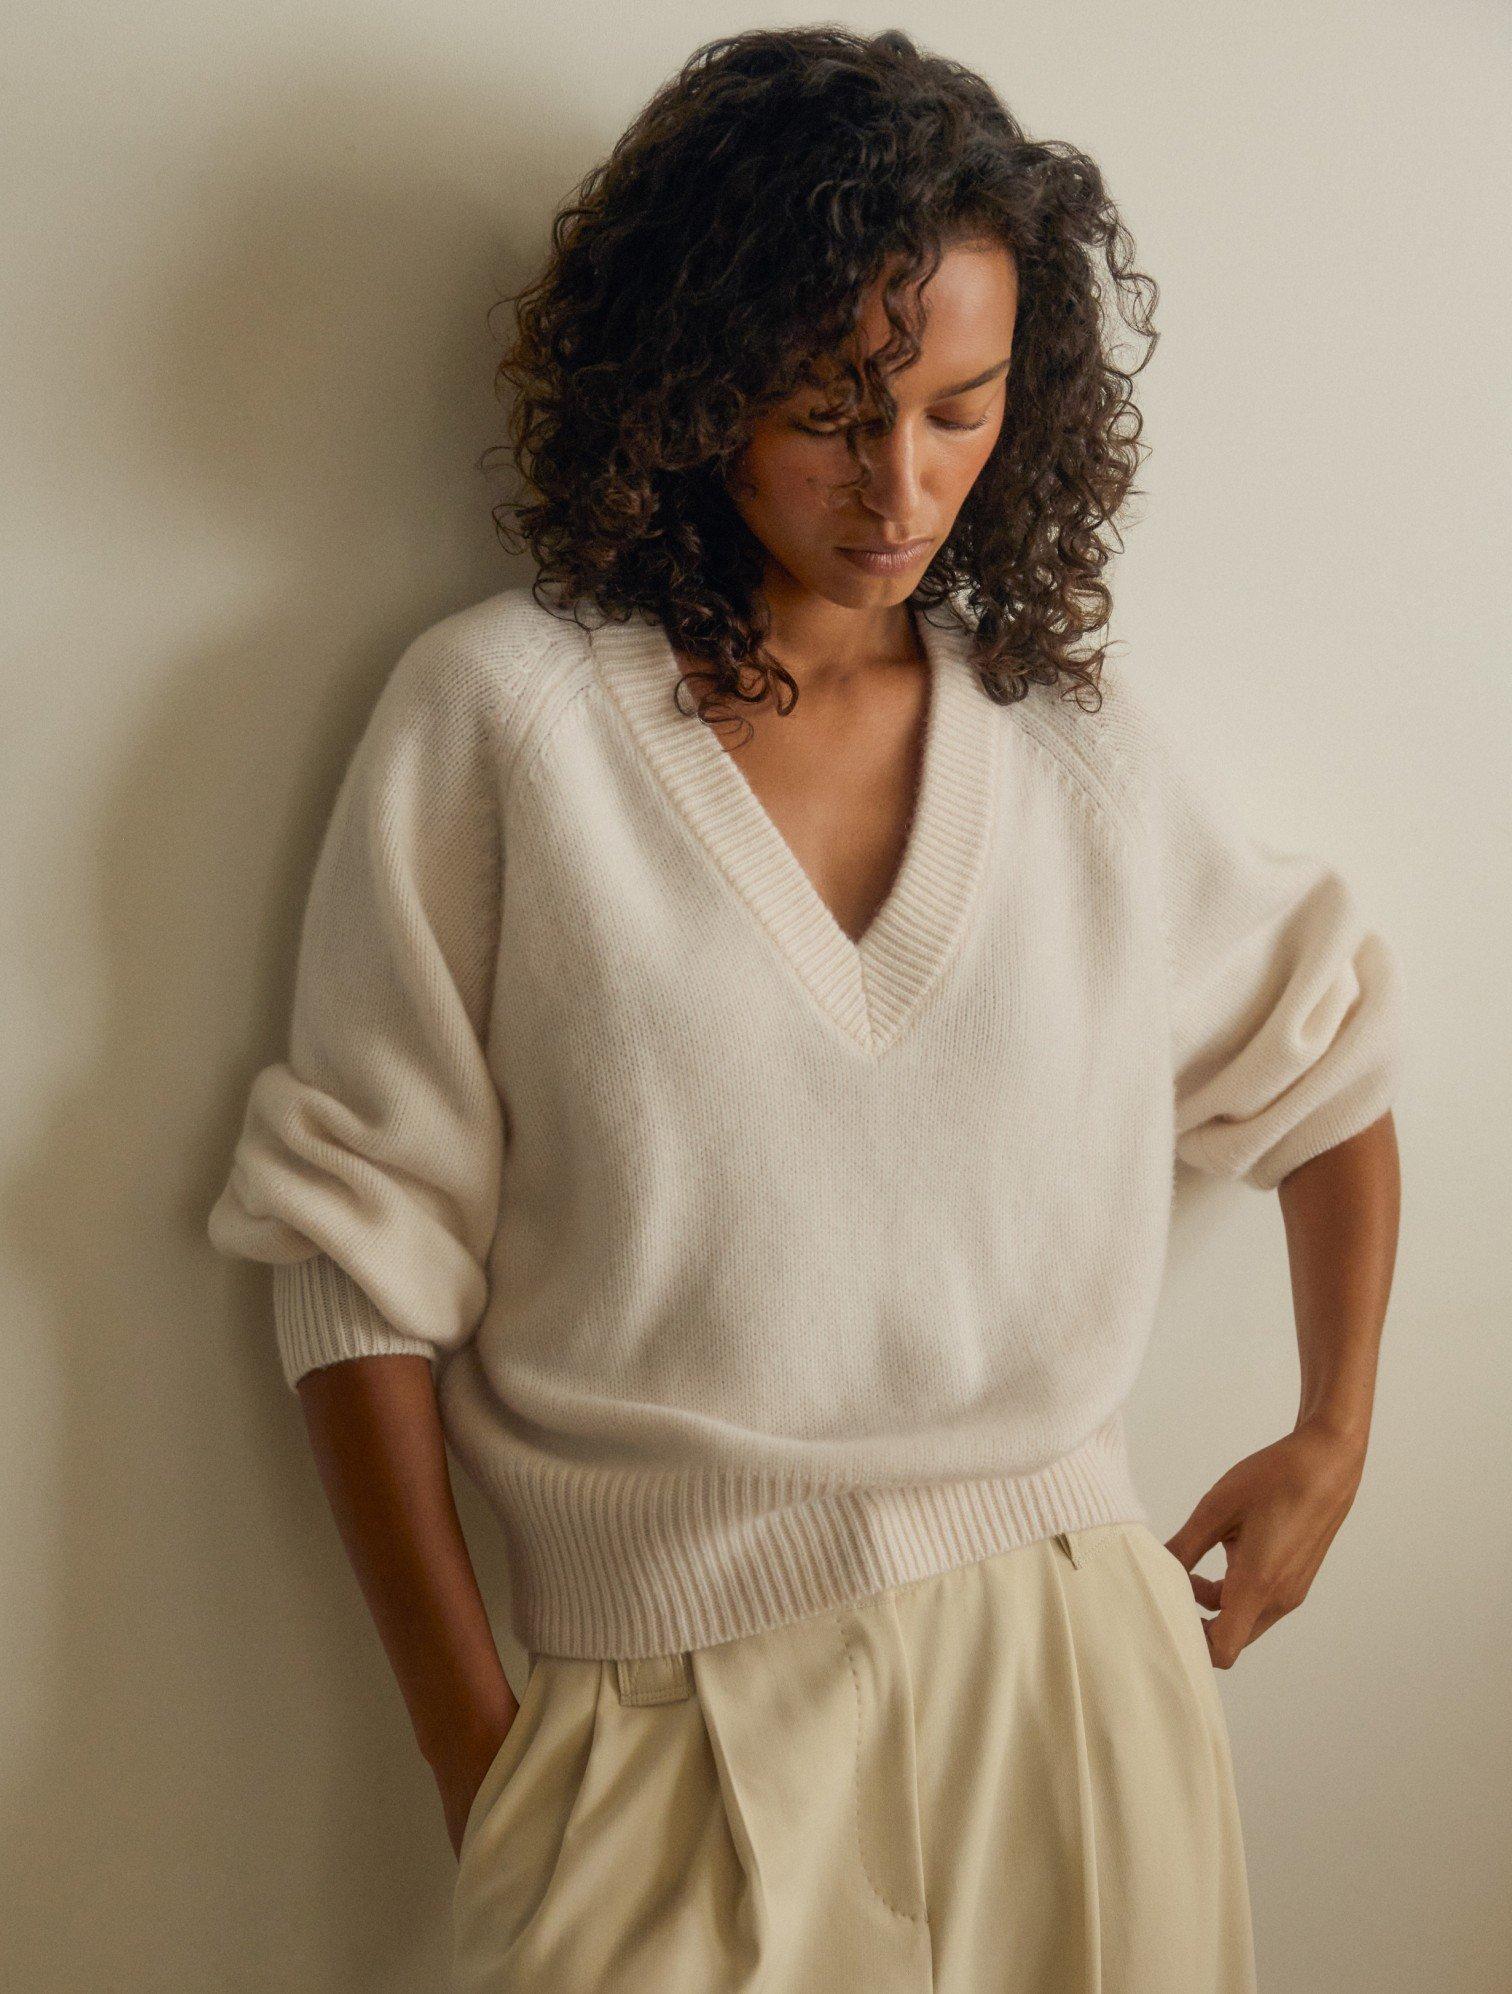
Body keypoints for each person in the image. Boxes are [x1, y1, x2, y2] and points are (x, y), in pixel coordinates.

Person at [206, 26, 1404, 1993]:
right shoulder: (504, 722)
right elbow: (354, 1269)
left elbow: (1326, 1056)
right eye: (835, 411)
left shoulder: (1071, 751)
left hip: (1077, 1689)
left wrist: (1334, 1436)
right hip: (663, 1727)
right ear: (693, 377)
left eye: (961, 407)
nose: (904, 484)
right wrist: (474, 1748)